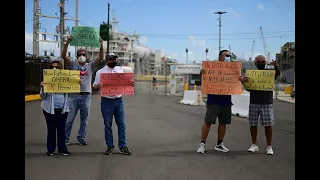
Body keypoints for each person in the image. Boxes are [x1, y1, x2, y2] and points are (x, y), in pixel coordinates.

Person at [61, 35, 104, 146]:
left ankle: (81, 138)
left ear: (86, 56)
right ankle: (65, 138)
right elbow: (63, 55)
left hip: (86, 96)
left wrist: (101, 45)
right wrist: (68, 42)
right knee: (69, 119)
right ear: (77, 56)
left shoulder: (90, 66)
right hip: (74, 95)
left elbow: (100, 58)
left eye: (83, 54)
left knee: (84, 119)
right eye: (79, 54)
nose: (81, 56)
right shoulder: (72, 65)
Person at [197, 50, 241, 154]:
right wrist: (201, 74)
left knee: (223, 123)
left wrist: (241, 79)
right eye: (227, 55)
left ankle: (219, 144)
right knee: (208, 122)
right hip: (213, 100)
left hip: (226, 101)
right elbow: (204, 82)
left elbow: (237, 82)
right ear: (220, 57)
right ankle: (202, 144)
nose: (228, 57)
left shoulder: (233, 69)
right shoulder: (211, 67)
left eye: (229, 56)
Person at [92, 52, 135, 155]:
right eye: (111, 59)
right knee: (107, 125)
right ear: (107, 61)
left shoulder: (120, 70)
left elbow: (125, 83)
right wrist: (97, 87)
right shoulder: (100, 73)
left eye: (115, 59)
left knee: (121, 124)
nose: (114, 61)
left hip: (119, 100)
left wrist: (130, 84)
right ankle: (110, 146)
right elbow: (94, 86)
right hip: (106, 101)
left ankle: (123, 146)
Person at [240, 55, 280, 155]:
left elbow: (278, 73)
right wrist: (243, 82)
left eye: (263, 61)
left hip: (267, 103)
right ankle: (254, 145)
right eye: (259, 62)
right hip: (254, 102)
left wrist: (276, 66)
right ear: (255, 63)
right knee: (253, 124)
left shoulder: (269, 73)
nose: (261, 63)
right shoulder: (251, 74)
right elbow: (249, 88)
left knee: (268, 125)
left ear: (266, 62)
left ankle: (269, 146)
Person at [40, 60, 78, 156]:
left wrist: (76, 83)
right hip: (49, 109)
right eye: (53, 67)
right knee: (51, 129)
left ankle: (62, 149)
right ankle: (51, 149)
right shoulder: (47, 80)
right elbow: (42, 96)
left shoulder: (65, 79)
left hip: (63, 109)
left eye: (57, 67)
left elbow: (71, 93)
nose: (55, 69)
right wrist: (44, 87)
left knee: (61, 129)